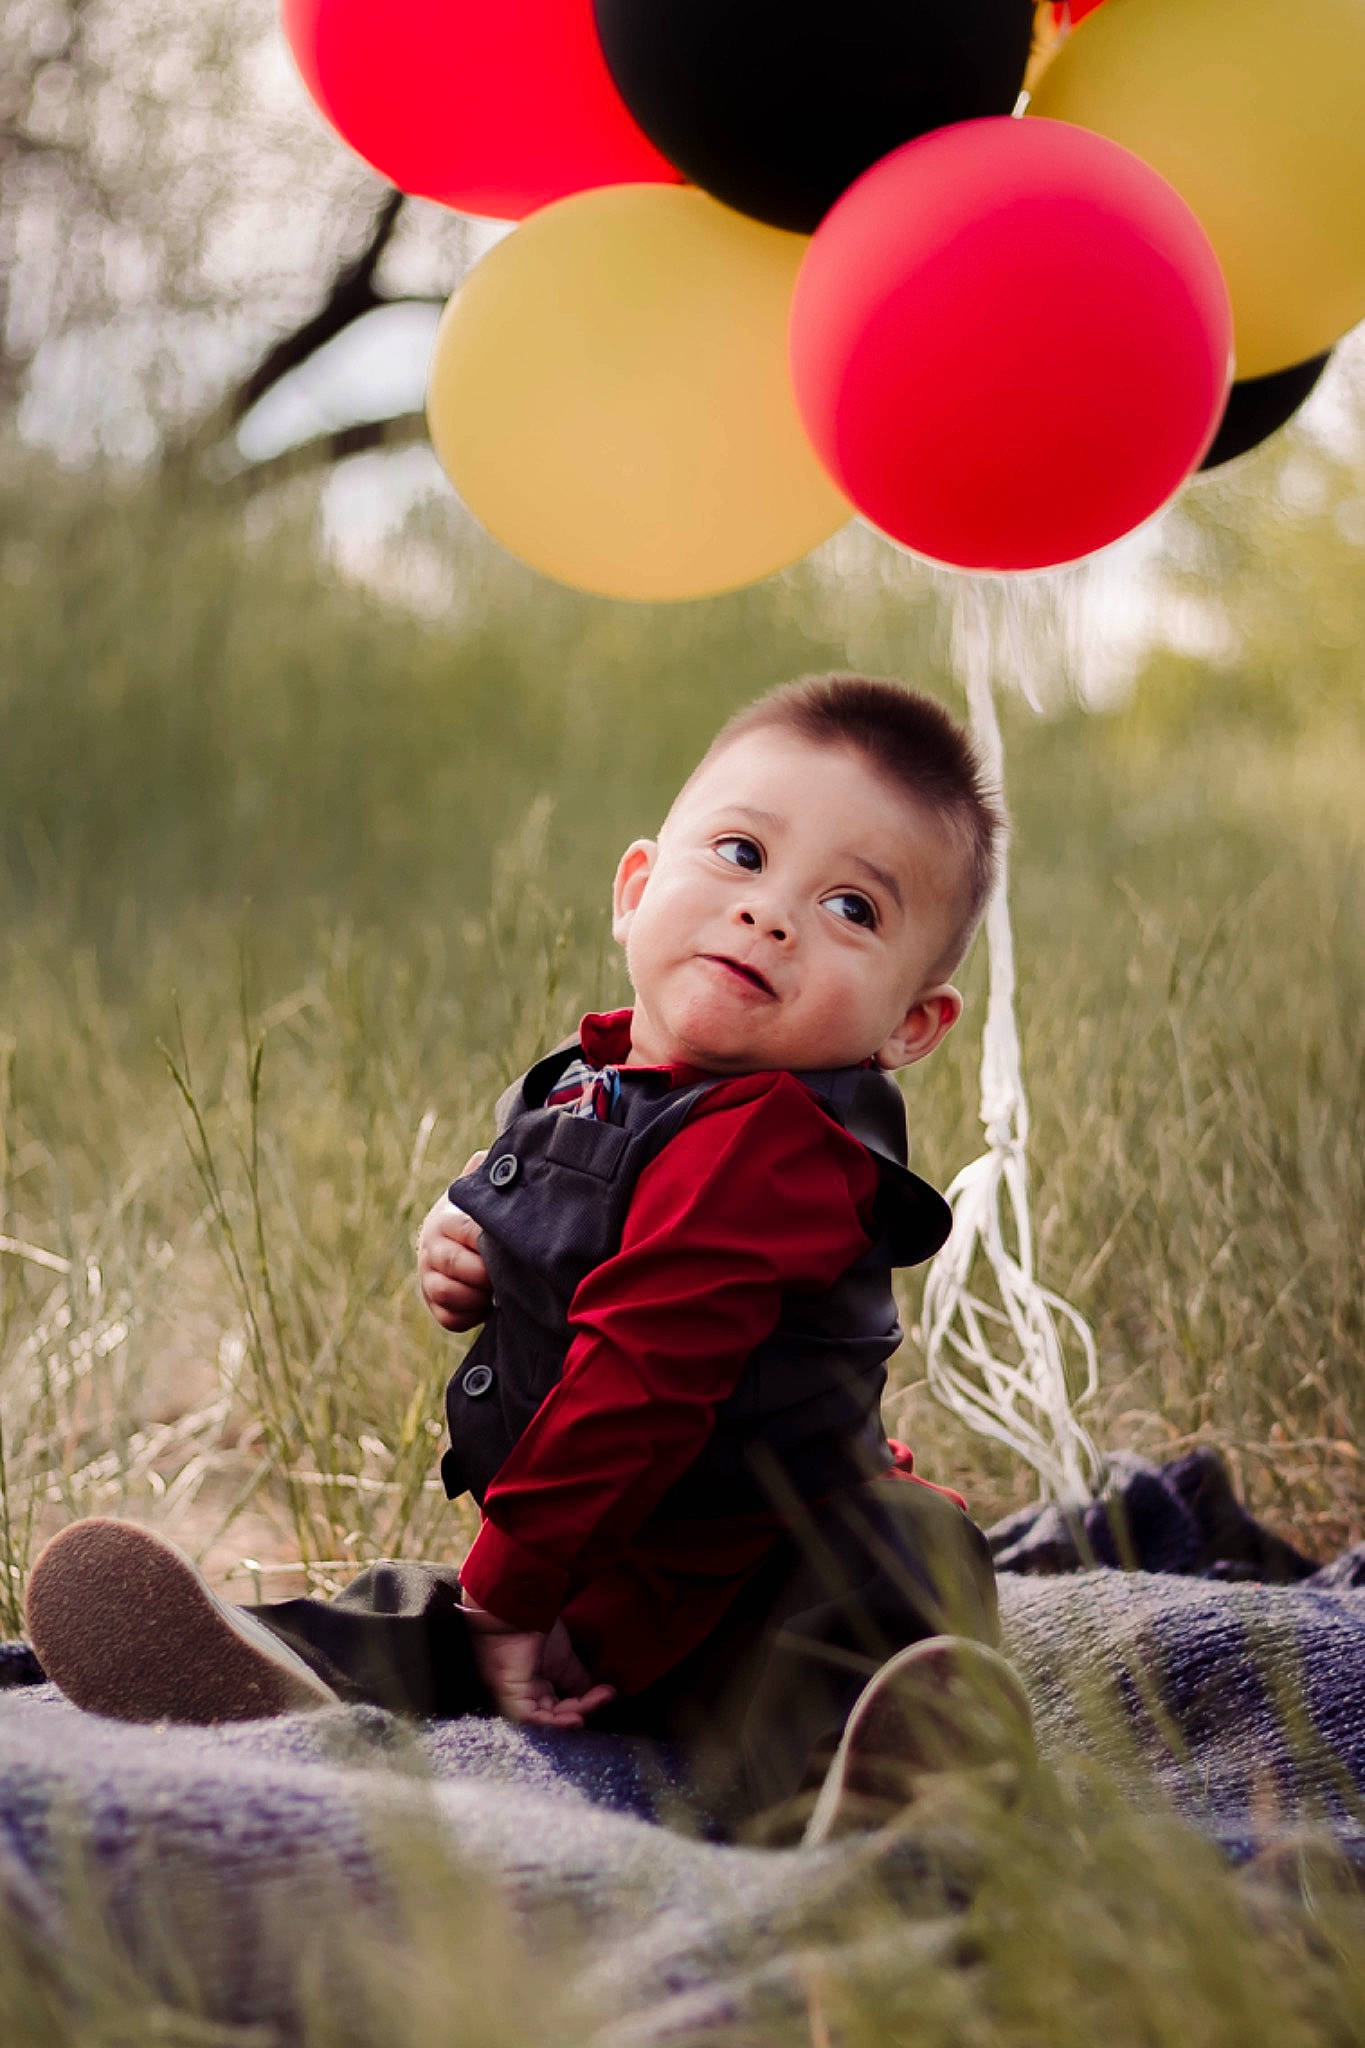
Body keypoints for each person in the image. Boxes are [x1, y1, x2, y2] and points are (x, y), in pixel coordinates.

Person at [26, 673, 1033, 1842]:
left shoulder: (782, 1148)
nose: (771, 914)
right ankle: (275, 1670)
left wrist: (511, 1594)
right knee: (409, 1606)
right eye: (742, 853)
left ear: (911, 1023)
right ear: (636, 889)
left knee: (902, 1558)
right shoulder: (584, 1082)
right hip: (594, 1577)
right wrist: (460, 1246)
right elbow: (538, 1229)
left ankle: (873, 1793)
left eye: (853, 907)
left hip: (759, 1576)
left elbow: (640, 1375)